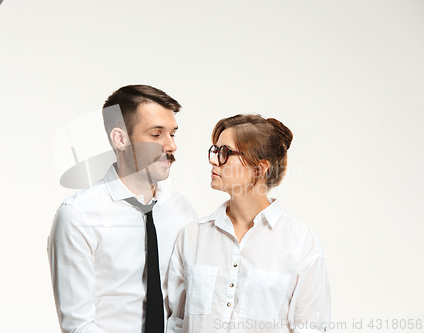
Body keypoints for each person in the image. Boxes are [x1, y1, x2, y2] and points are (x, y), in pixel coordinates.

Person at [48, 85, 198, 333]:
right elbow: (78, 326)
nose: (171, 146)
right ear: (120, 139)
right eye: (156, 134)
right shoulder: (79, 215)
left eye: (172, 134)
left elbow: (189, 305)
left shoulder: (180, 209)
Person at [167, 114, 330, 333]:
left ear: (259, 168)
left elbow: (310, 328)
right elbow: (176, 323)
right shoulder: (192, 236)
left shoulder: (301, 244)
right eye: (215, 151)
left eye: (225, 153)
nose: (213, 160)